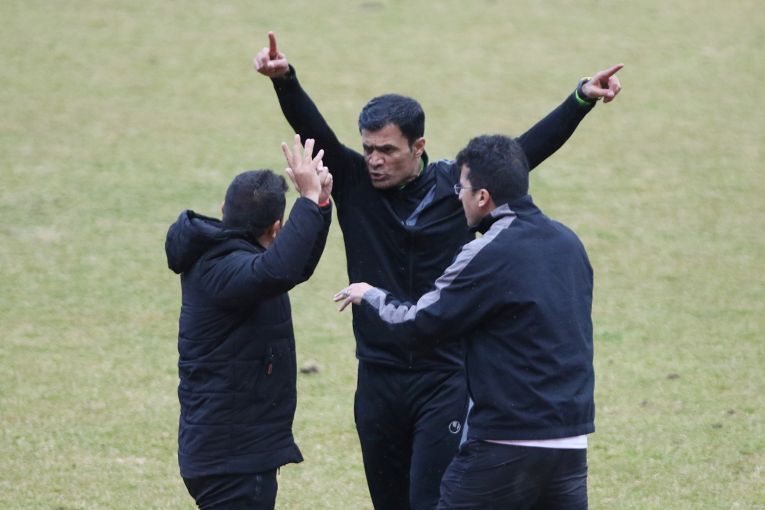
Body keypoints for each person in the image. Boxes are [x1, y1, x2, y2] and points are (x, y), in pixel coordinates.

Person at [254, 31, 620, 510]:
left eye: (387, 150)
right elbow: (314, 131)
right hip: (378, 376)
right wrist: (284, 80)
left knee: (431, 500)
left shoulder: (460, 188)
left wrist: (580, 99)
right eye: (368, 148)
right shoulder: (355, 183)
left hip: (445, 378)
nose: (374, 161)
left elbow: (526, 150)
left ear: (418, 146)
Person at [336, 134, 595, 509]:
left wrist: (372, 295)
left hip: (506, 441)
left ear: (483, 197)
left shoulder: (488, 252)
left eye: (462, 188)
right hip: (570, 443)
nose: (457, 196)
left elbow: (419, 324)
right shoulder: (569, 243)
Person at [164, 137, 333, 510]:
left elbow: (293, 267)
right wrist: (306, 200)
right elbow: (280, 269)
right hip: (230, 459)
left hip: (228, 452)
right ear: (276, 229)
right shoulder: (225, 269)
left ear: (224, 209)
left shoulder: (225, 257)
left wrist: (319, 204)